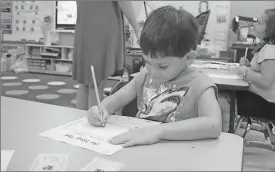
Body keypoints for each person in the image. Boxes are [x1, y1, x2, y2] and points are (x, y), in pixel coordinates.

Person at [87, 6, 222, 148]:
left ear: (188, 58)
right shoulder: (144, 76)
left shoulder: (200, 84)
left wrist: (159, 131)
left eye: (162, 66)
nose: (152, 71)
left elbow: (213, 125)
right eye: (147, 62)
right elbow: (116, 99)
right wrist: (100, 110)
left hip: (178, 154)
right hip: (140, 150)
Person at [73, 1, 141, 110]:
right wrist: (138, 30)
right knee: (96, 82)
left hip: (85, 24)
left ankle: (79, 123)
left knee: (86, 82)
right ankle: (93, 122)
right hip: (101, 25)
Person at [236, 8, 275, 120]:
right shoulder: (267, 49)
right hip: (264, 101)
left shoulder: (269, 50)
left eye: (259, 23)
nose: (254, 25)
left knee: (226, 96)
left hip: (264, 104)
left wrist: (245, 72)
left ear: (270, 28)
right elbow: (265, 71)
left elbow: (266, 81)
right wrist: (249, 66)